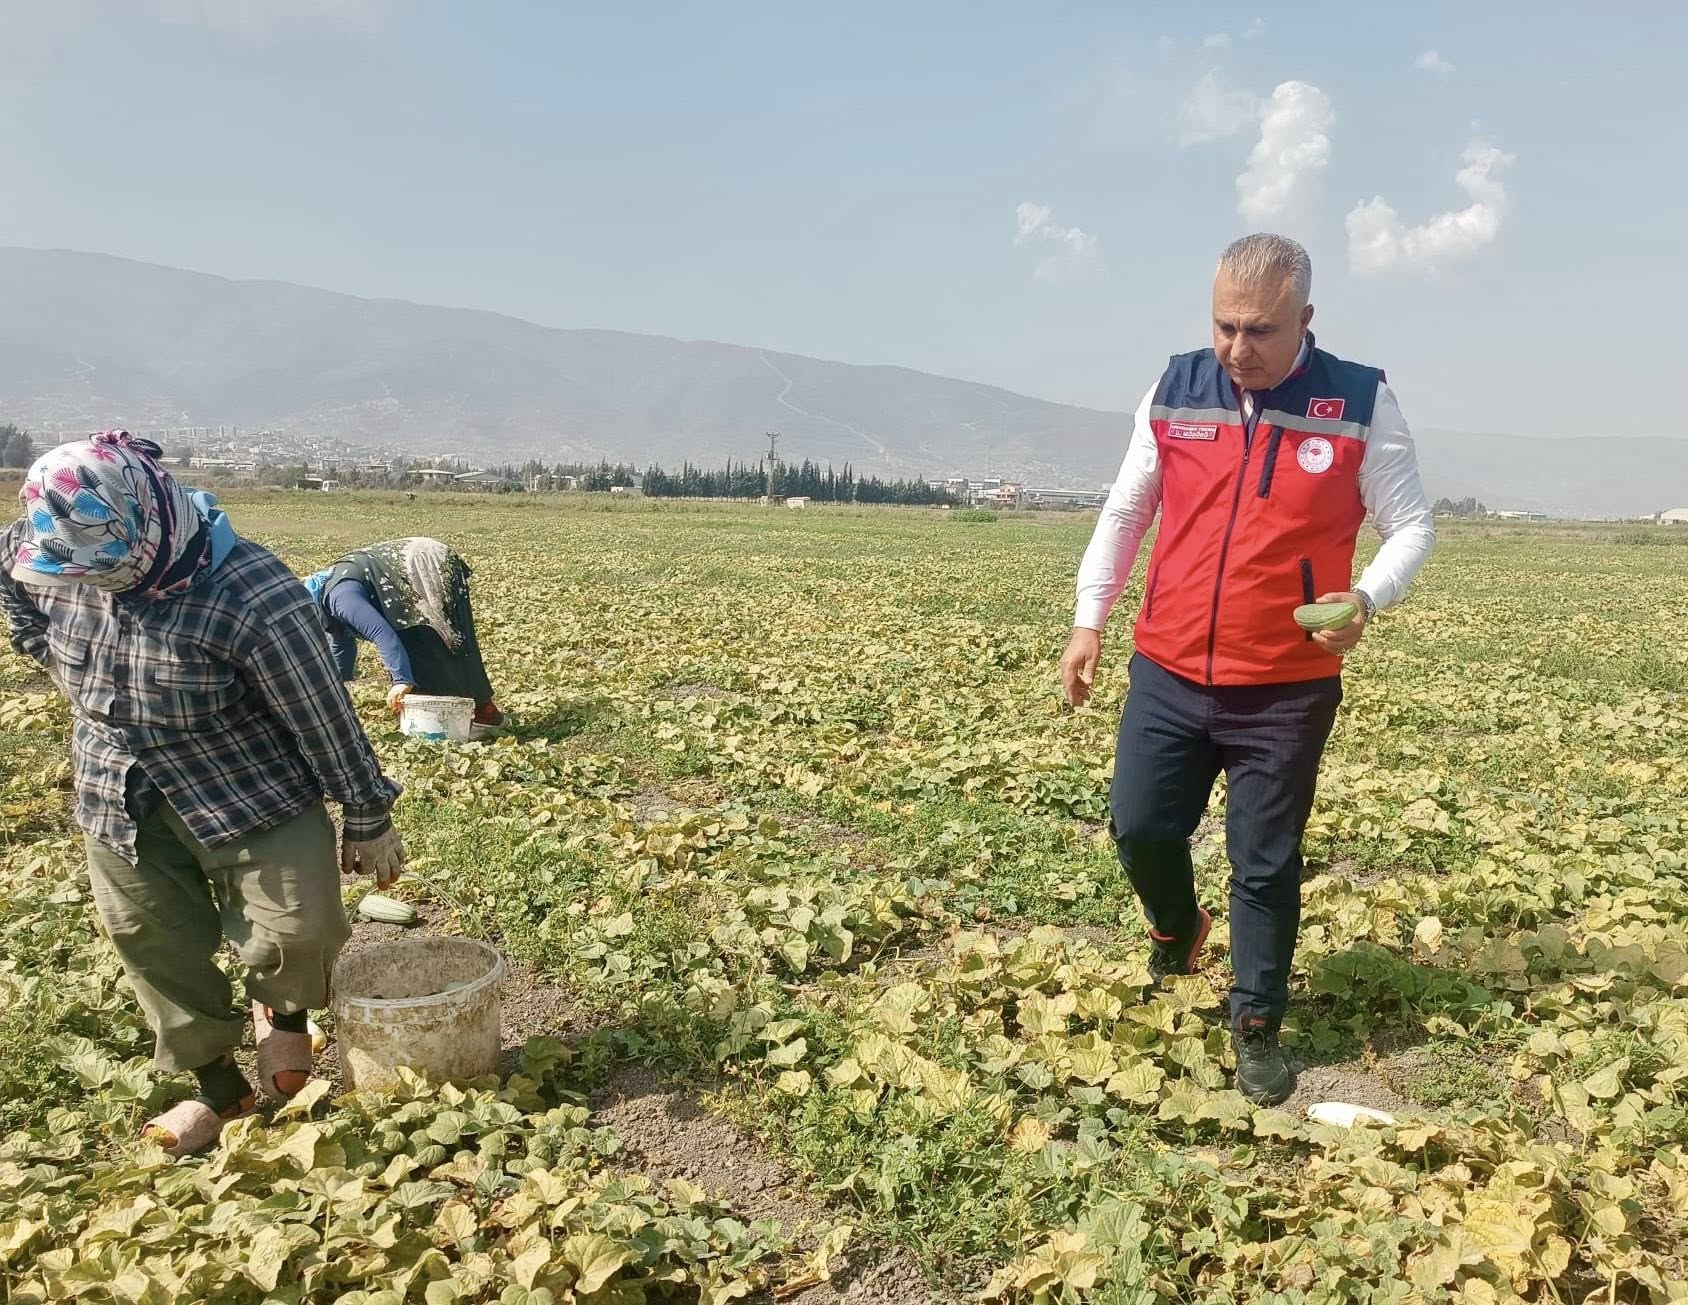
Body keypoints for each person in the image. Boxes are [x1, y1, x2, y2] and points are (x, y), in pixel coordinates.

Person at [1060, 234, 1435, 1105]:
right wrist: (1090, 620)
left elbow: (1411, 524)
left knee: (1263, 863)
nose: (1238, 348)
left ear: (1305, 319)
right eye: (1224, 325)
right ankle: (1175, 923)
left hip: (1286, 684)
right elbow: (1128, 509)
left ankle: (1257, 1019)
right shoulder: (1178, 387)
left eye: (1260, 329)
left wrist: (1367, 598)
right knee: (1139, 825)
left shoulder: (1358, 400)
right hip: (1169, 664)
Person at [0, 431, 405, 1156]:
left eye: (111, 570)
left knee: (298, 930)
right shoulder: (51, 548)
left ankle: (283, 1019)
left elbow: (321, 713)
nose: (98, 584)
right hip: (118, 790)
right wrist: (66, 672)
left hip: (249, 787)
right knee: (151, 936)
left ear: (149, 523)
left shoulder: (251, 591)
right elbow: (15, 587)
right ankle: (219, 1087)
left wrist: (367, 812)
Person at [303, 538, 505, 727]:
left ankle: (483, 711)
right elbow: (341, 643)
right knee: (415, 640)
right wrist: (339, 688)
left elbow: (382, 633)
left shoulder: (341, 599)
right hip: (407, 567)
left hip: (424, 561)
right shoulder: (326, 601)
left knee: (440, 637)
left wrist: (401, 681)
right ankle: (439, 706)